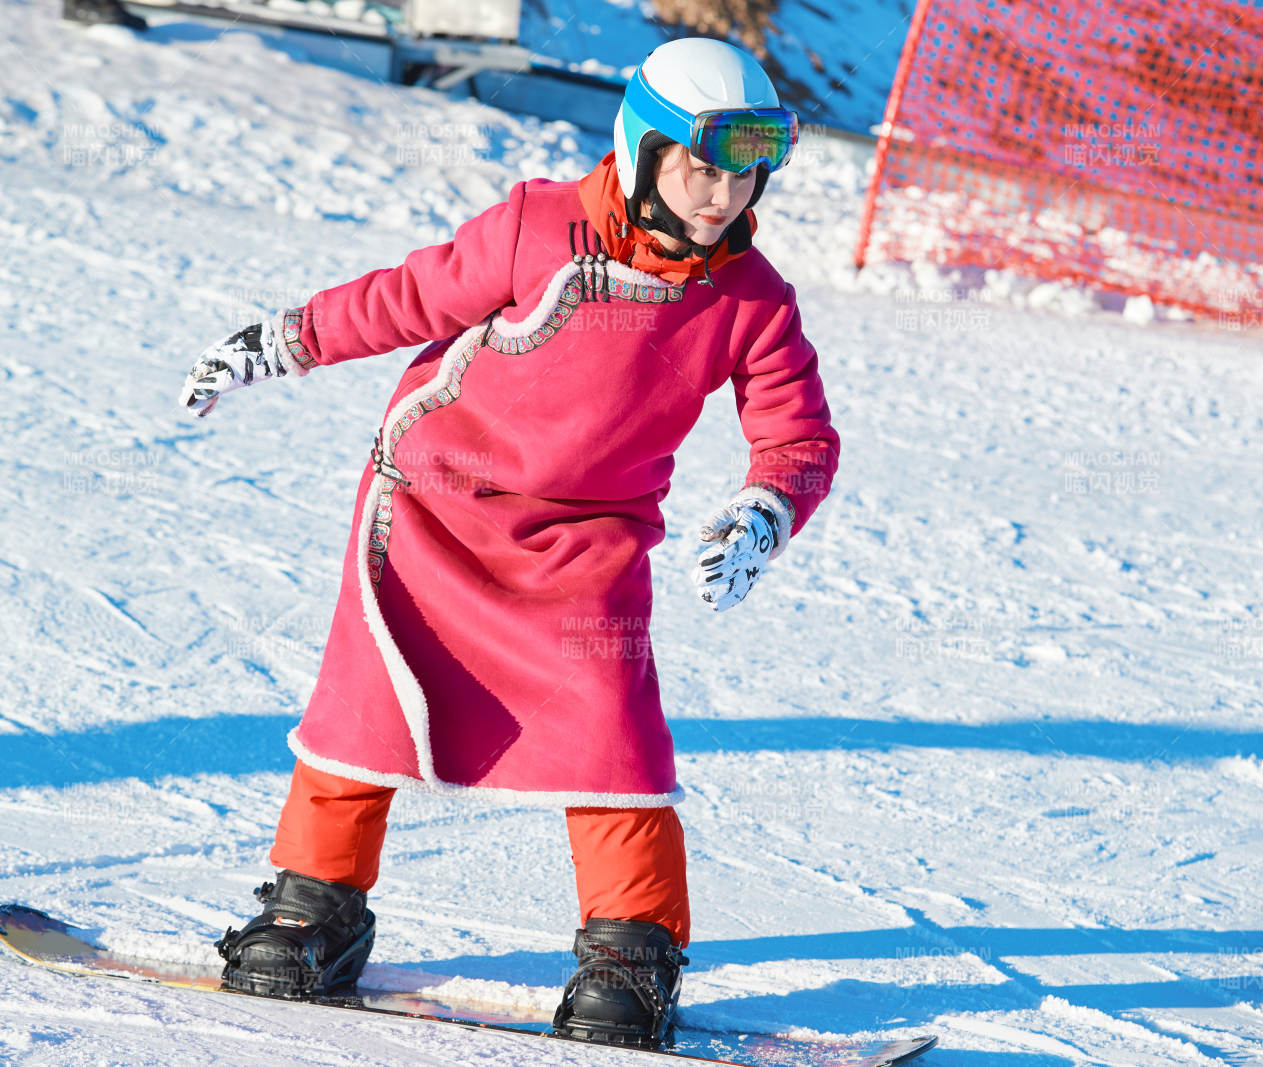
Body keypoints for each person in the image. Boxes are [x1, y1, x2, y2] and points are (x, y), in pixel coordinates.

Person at [181, 37, 839, 1049]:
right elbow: (407, 296)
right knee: (365, 707)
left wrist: (767, 509)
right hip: (434, 507)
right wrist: (282, 340)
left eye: (744, 174)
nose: (722, 196)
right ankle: (316, 906)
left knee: (614, 738)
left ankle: (631, 949)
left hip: (586, 545)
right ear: (643, 151)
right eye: (701, 168)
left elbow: (797, 434)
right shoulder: (536, 226)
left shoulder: (749, 298)